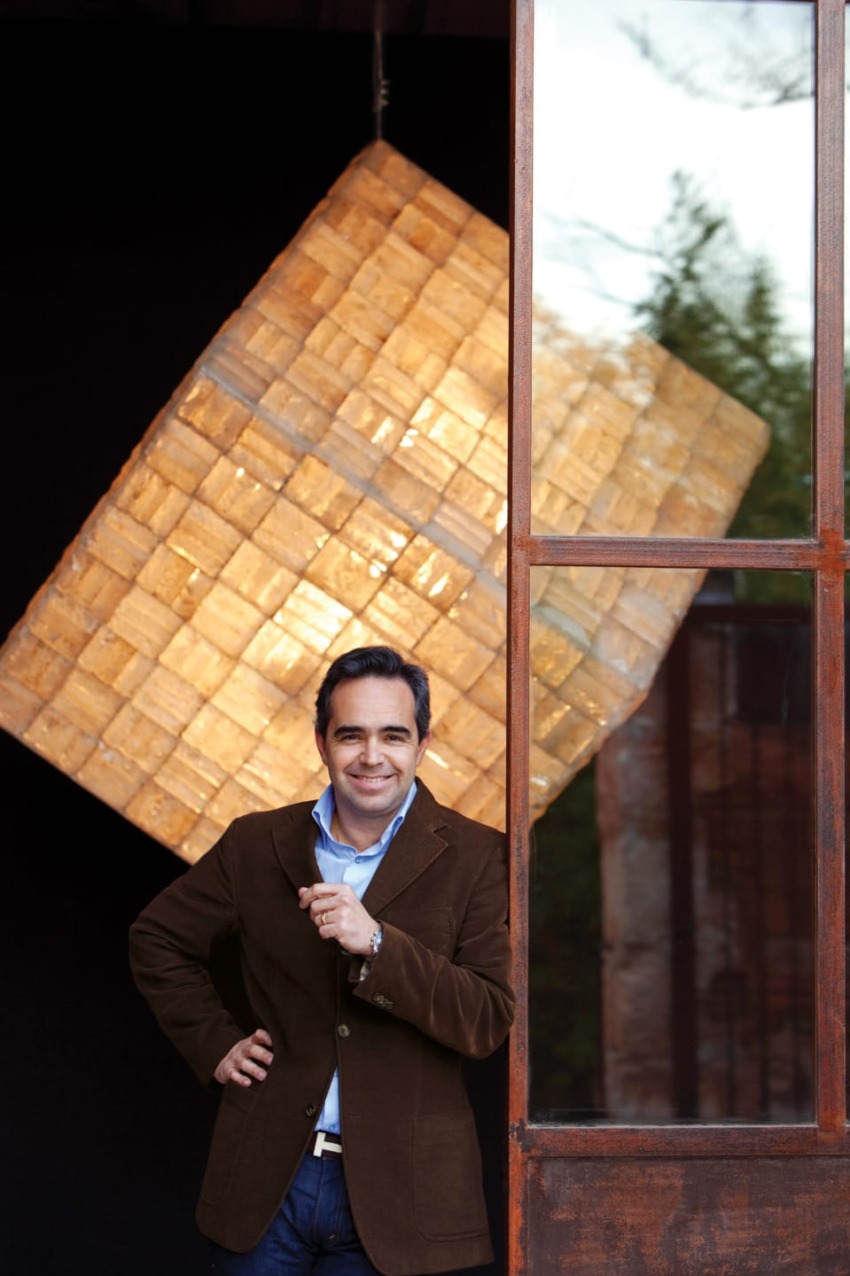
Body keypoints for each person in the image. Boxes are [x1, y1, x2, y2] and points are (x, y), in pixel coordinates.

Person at [129, 644, 514, 1276]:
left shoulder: (479, 857)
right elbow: (157, 939)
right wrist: (215, 1042)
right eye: (351, 735)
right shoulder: (256, 842)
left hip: (404, 1197)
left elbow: (486, 1018)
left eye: (393, 736)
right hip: (265, 1181)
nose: (372, 756)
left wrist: (379, 944)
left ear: (422, 745)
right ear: (321, 743)